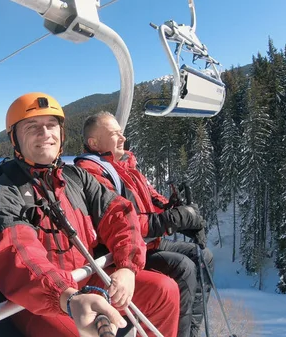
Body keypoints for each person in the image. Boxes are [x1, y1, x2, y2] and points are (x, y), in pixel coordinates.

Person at [0, 93, 179, 337]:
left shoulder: (76, 178)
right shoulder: (5, 193)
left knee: (164, 291)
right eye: (32, 127)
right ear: (15, 139)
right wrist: (67, 296)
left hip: (87, 282)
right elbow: (18, 255)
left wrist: (127, 267)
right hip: (43, 302)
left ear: (61, 133)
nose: (45, 134)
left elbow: (120, 214)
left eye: (51, 125)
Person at [75, 111, 215, 337]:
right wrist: (170, 220)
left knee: (202, 255)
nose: (122, 138)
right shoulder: (92, 173)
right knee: (184, 268)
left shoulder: (126, 167)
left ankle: (191, 331)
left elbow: (152, 200)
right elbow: (122, 220)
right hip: (121, 250)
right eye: (115, 134)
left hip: (147, 243)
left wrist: (174, 210)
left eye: (122, 133)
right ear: (94, 142)